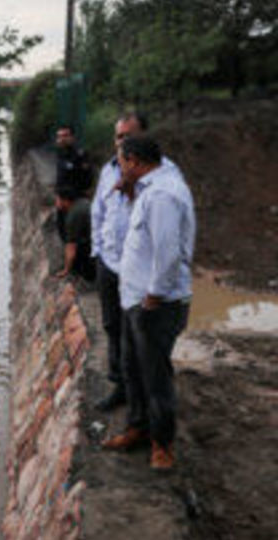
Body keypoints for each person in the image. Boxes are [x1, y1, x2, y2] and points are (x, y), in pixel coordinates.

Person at [101, 136, 195, 471]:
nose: (119, 168)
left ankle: (162, 445)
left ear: (134, 161)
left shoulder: (162, 195)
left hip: (154, 304)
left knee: (155, 376)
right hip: (135, 300)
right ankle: (138, 427)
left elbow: (168, 251)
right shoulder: (147, 190)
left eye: (121, 162)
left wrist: (155, 293)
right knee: (133, 369)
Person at [90, 113, 144, 411]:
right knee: (112, 326)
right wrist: (97, 250)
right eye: (119, 136)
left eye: (129, 135)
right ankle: (119, 385)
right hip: (108, 264)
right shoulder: (108, 171)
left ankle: (140, 393)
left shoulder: (158, 176)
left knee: (137, 333)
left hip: (138, 271)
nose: (123, 141)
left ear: (143, 136)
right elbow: (98, 212)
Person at [54, 125, 93, 242]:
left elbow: (86, 183)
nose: (62, 139)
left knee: (77, 240)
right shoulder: (60, 155)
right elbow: (60, 180)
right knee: (64, 237)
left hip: (75, 204)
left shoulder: (80, 155)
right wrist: (58, 197)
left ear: (72, 138)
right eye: (59, 136)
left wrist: (71, 199)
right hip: (62, 205)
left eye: (65, 136)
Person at [54, 189, 95, 282]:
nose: (56, 203)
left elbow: (71, 249)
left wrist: (66, 270)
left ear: (64, 200)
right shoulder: (83, 202)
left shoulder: (73, 216)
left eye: (57, 199)